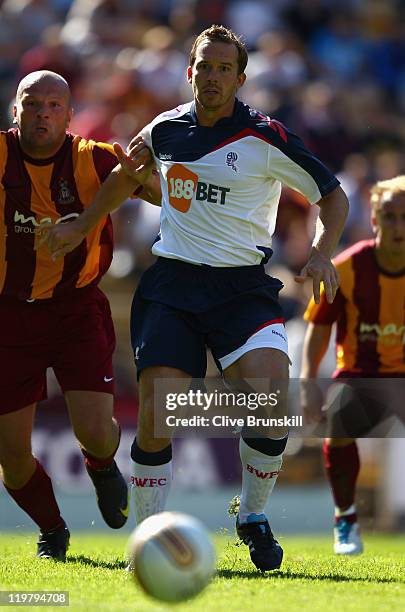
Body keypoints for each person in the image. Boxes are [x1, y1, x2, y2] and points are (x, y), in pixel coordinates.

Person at [45, 26, 349, 572]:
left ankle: (253, 517)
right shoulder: (165, 129)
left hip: (243, 289)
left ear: (240, 78)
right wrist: (87, 222)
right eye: (203, 66)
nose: (212, 76)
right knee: (160, 411)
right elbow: (126, 175)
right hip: (174, 287)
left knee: (269, 402)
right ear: (190, 72)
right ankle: (147, 541)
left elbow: (332, 195)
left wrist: (324, 252)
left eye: (223, 69)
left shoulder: (265, 136)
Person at [0, 70, 158, 562]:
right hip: (8, 315)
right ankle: (53, 529)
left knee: (94, 429)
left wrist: (148, 173)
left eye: (53, 105)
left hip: (75, 311)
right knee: (10, 455)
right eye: (32, 103)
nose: (42, 113)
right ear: (15, 110)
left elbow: (159, 192)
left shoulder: (94, 159)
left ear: (69, 116)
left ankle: (101, 464)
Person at [301, 175, 405, 555]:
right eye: (389, 217)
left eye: (404, 217)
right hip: (362, 376)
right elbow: (318, 326)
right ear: (374, 220)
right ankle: (345, 518)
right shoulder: (346, 268)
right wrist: (308, 381)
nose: (398, 226)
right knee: (338, 418)